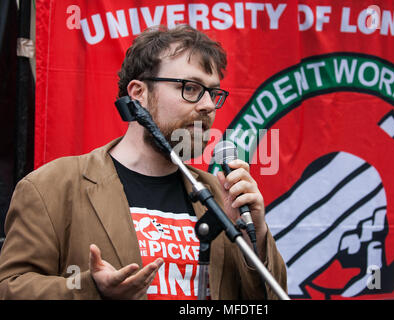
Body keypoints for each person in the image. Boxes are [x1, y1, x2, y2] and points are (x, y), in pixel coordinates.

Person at [0, 25, 286, 300]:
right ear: (138, 94)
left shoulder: (217, 193)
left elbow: (262, 297)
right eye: (190, 88)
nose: (208, 105)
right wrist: (91, 288)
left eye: (213, 93)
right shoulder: (52, 186)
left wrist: (255, 233)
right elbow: (11, 288)